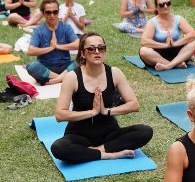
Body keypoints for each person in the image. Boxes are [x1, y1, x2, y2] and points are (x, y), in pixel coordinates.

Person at [51, 32, 153, 163]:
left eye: (101, 48)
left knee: (145, 131)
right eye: (91, 49)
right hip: (79, 134)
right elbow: (60, 115)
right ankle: (109, 154)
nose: (97, 52)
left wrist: (106, 111)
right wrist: (92, 112)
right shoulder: (72, 77)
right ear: (83, 53)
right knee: (59, 148)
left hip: (109, 134)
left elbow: (134, 104)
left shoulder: (115, 73)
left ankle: (96, 150)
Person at [26, 0, 78, 85]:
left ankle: (56, 80)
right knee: (31, 66)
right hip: (46, 67)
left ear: (58, 12)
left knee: (83, 60)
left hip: (65, 66)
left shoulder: (66, 27)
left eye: (55, 12)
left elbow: (78, 44)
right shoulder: (39, 30)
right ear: (44, 13)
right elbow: (31, 51)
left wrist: (58, 46)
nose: (52, 15)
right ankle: (63, 78)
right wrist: (51, 47)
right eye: (48, 12)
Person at [139, 0, 195, 71]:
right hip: (158, 54)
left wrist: (176, 44)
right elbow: (145, 41)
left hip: (177, 53)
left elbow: (192, 34)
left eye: (168, 3)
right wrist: (165, 45)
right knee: (143, 51)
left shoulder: (178, 19)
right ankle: (175, 65)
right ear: (156, 7)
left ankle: (168, 66)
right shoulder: (152, 22)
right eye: (161, 5)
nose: (165, 6)